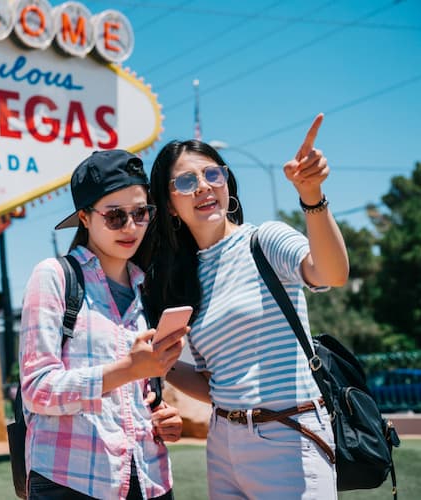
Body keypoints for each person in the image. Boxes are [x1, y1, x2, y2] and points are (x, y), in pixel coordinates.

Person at [139, 114, 349, 499]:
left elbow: (330, 273)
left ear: (226, 181)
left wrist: (312, 196)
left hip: (289, 434)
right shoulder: (184, 280)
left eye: (212, 175)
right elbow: (213, 384)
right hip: (223, 445)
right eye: (186, 182)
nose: (203, 187)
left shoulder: (264, 240)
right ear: (169, 205)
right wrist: (155, 363)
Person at [19, 149, 187, 500]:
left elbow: (138, 394)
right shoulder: (54, 277)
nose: (130, 227)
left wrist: (161, 415)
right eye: (115, 216)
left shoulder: (146, 291)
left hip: (150, 477)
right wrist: (127, 369)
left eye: (141, 213)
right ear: (84, 217)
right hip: (72, 482)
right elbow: (37, 389)